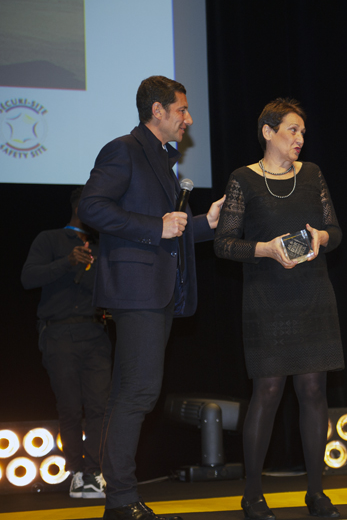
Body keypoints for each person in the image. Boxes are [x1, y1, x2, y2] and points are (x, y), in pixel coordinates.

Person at [78, 75, 225, 520]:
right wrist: (153, 226)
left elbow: (172, 230)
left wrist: (206, 223)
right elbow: (92, 206)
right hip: (136, 290)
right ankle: (121, 499)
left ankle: (120, 499)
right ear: (157, 111)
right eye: (182, 110)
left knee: (131, 393)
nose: (189, 119)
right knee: (139, 392)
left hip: (156, 292)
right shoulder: (124, 149)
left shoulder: (162, 159)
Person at [214, 98, 344, 520]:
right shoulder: (243, 179)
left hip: (313, 294)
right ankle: (252, 494)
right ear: (268, 132)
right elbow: (224, 243)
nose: (300, 138)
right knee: (267, 392)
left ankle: (316, 493)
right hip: (267, 299)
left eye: (303, 131)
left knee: (314, 391)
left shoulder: (313, 174)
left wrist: (321, 238)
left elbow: (336, 231)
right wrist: (266, 249)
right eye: (292, 130)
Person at [21, 186, 111, 500]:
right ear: (79, 208)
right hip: (59, 334)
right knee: (70, 407)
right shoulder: (50, 239)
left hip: (95, 334)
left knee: (100, 407)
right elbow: (28, 278)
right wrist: (67, 262)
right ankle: (77, 473)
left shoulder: (103, 246)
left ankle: (95, 472)